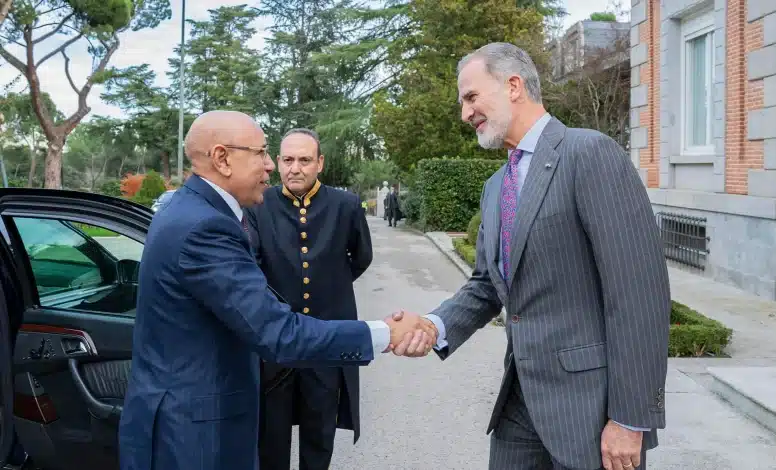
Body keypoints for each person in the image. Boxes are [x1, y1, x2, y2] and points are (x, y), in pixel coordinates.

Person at [391, 43, 670, 470]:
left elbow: (638, 295)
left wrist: (630, 418)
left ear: (514, 86)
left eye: (471, 97)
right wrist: (434, 326)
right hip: (518, 406)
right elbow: (487, 284)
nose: (465, 114)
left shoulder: (589, 154)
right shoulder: (496, 186)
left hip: (590, 414)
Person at [117, 111, 435, 470]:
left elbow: (356, 259)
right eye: (261, 153)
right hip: (194, 436)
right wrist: (387, 333)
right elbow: (278, 332)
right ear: (222, 158)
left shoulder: (190, 211)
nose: (271, 166)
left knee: (319, 436)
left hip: (194, 422)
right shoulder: (205, 227)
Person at [244, 128, 373, 470]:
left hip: (326, 340)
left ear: (320, 163)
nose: (294, 168)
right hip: (276, 343)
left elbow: (361, 257)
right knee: (270, 436)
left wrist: (329, 288)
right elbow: (252, 267)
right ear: (278, 162)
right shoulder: (259, 206)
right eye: (287, 160)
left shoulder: (345, 205)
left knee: (320, 434)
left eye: (304, 160)